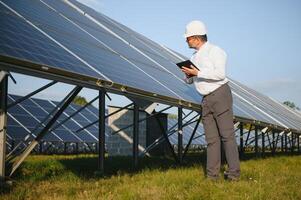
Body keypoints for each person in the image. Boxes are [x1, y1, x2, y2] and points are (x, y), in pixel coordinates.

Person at [181, 20, 240, 181]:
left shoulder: (215, 51)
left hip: (220, 94)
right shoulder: (193, 56)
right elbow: (193, 80)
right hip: (205, 99)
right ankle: (212, 176)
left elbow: (220, 74)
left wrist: (198, 73)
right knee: (211, 139)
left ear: (196, 37)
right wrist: (189, 76)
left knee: (227, 135)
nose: (186, 40)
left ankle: (233, 174)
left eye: (188, 38)